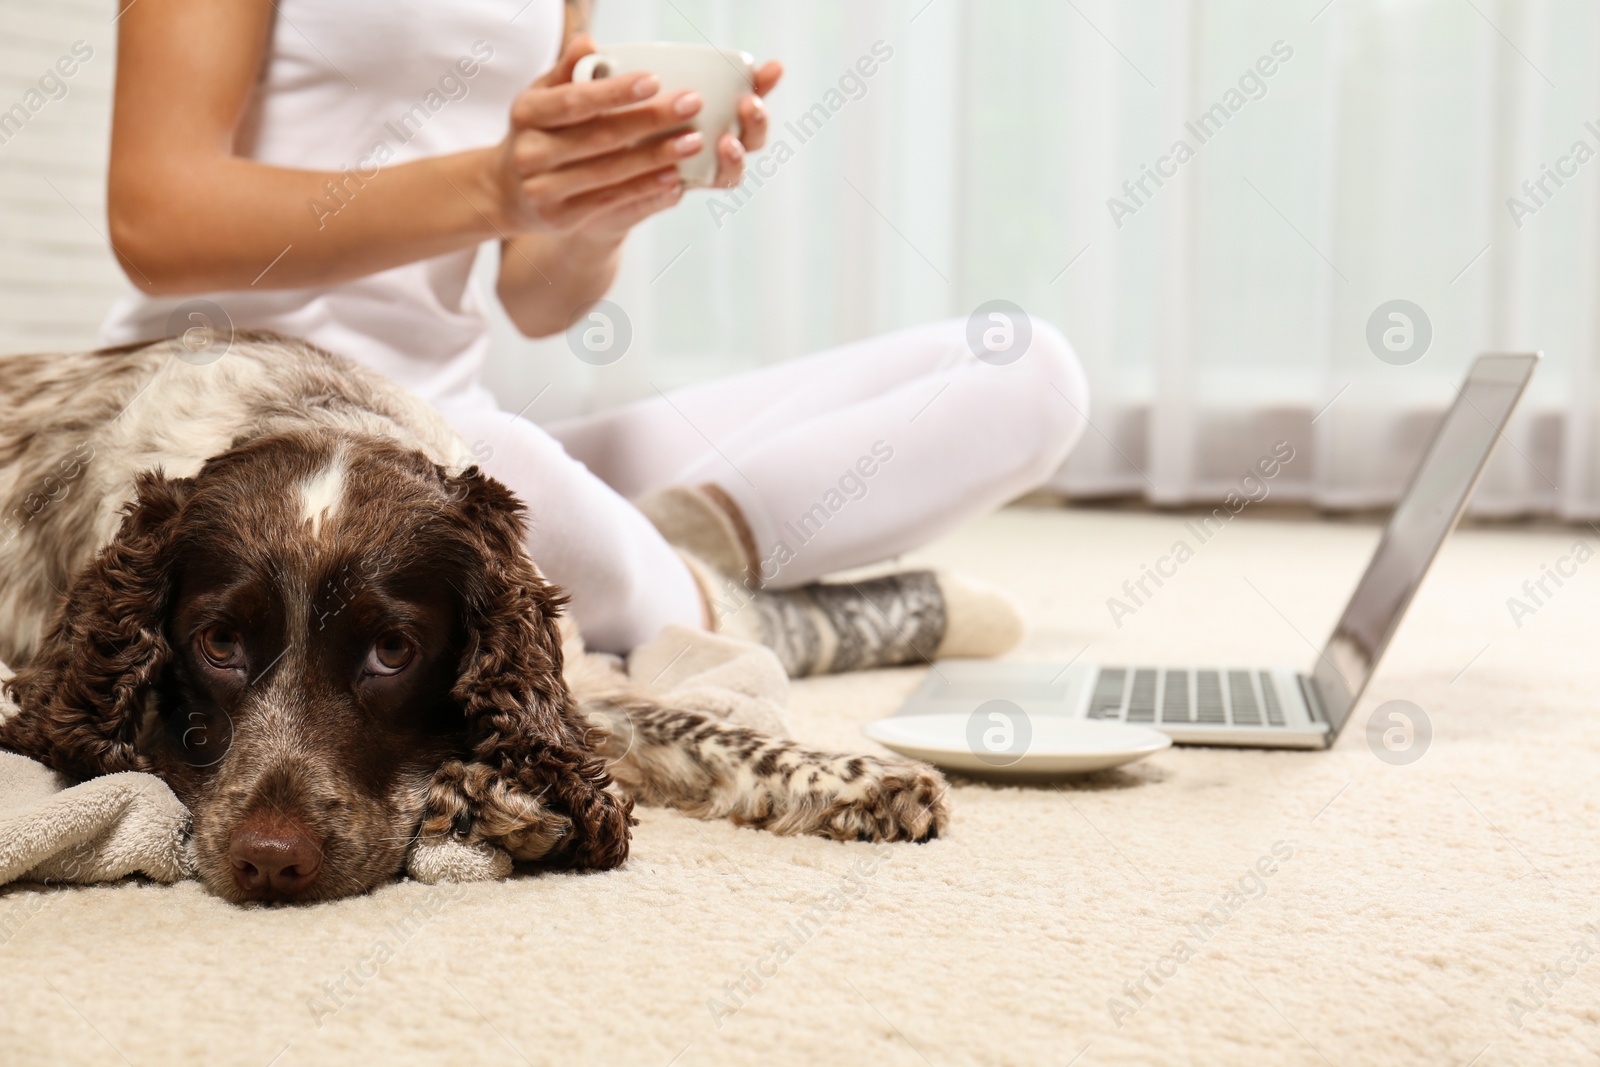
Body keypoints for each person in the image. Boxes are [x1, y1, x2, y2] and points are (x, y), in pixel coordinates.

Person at [99, 0, 1090, 673]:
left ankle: (655, 585)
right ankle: (750, 617)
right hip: (240, 415)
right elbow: (157, 217)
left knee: (1028, 372)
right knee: (502, 475)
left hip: (459, 427)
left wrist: (600, 204)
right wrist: (494, 184)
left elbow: (535, 299)